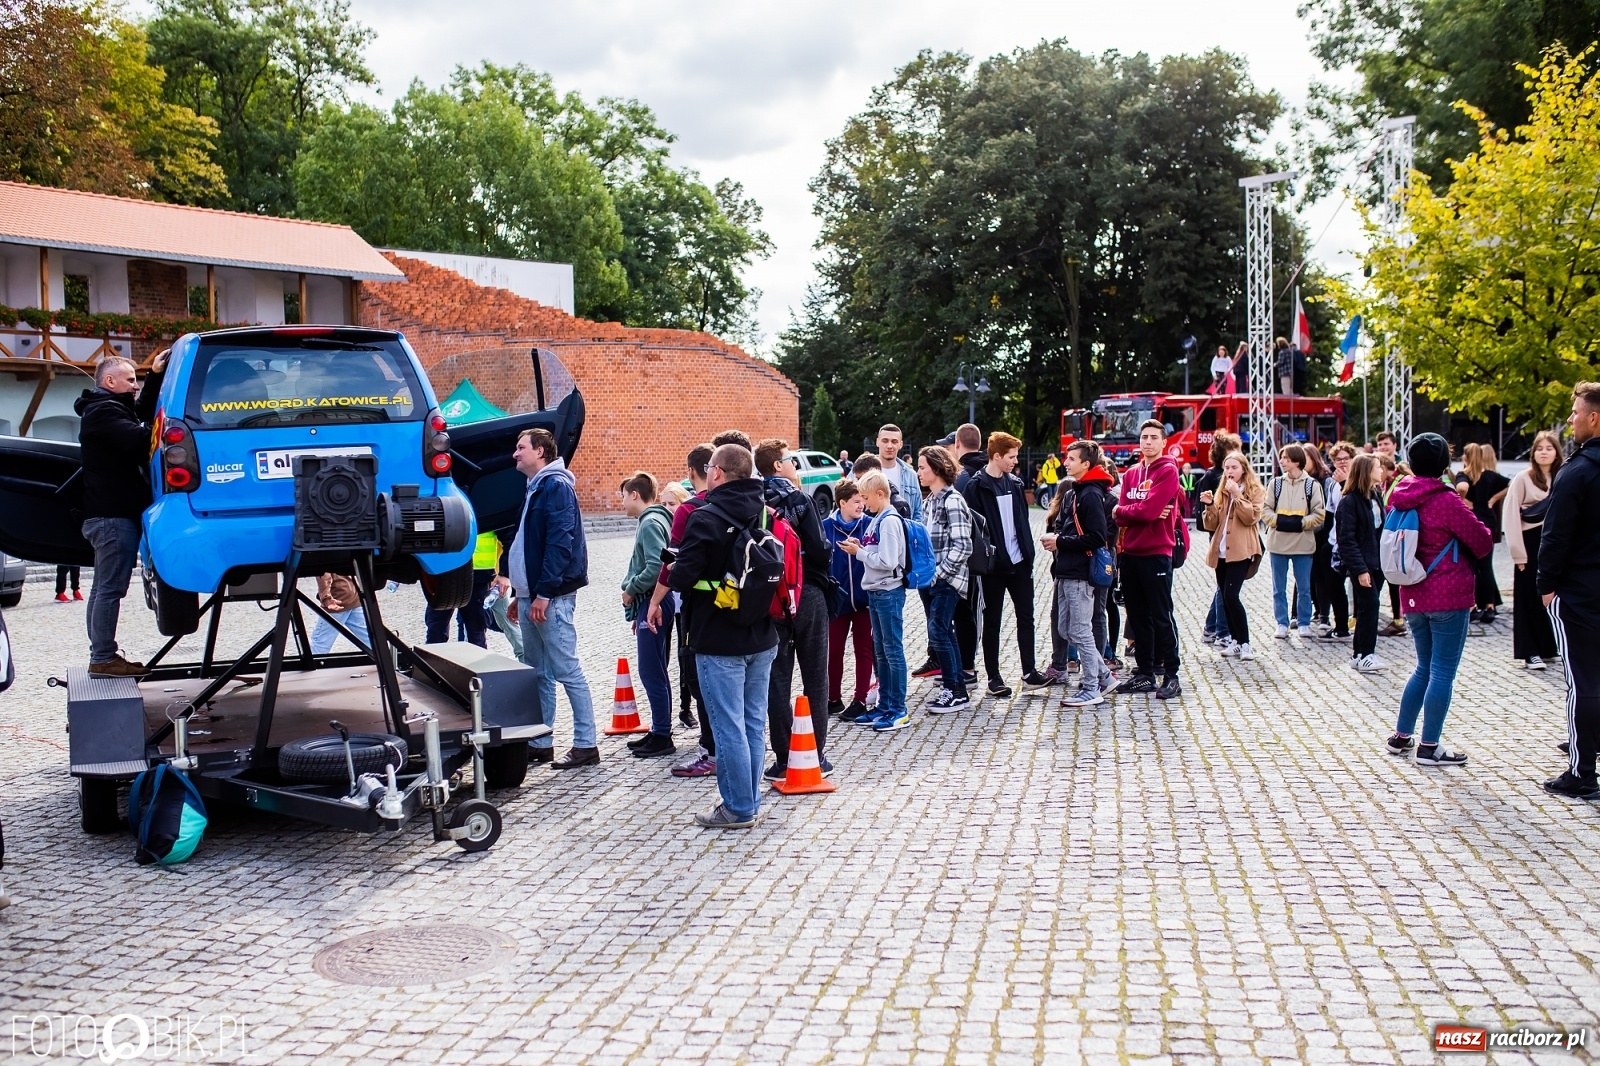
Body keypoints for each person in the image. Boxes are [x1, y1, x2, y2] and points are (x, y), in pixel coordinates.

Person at [668, 443, 780, 828]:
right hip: (762, 633)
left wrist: (676, 565)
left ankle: (737, 808)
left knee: (728, 726)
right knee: (751, 723)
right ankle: (749, 801)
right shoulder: (764, 509)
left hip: (718, 637)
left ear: (716, 472)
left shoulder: (705, 516)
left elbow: (682, 577)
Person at [1384, 434, 1493, 767]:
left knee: (1423, 667)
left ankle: (1401, 736)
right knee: (1443, 672)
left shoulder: (1398, 495)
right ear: (1446, 463)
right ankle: (1429, 746)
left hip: (1412, 590)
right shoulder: (1445, 499)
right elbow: (1482, 541)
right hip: (1447, 593)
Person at [502, 428, 596, 770]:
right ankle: (541, 742)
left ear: (540, 451)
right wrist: (521, 593)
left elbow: (560, 543)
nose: (515, 453)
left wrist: (543, 593)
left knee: (567, 671)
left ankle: (586, 745)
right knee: (538, 673)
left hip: (550, 598)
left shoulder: (555, 486)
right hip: (532, 597)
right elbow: (526, 543)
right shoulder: (536, 486)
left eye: (521, 446)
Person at [75, 352, 167, 676]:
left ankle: (101, 653)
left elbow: (138, 412)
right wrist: (170, 421)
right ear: (109, 382)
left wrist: (155, 375)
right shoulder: (102, 413)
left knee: (103, 587)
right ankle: (103, 657)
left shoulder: (107, 408)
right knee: (110, 588)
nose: (135, 386)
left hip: (107, 515)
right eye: (130, 380)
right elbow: (141, 440)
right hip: (112, 517)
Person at [754, 438, 832, 780]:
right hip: (808, 593)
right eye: (791, 461)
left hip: (770, 599)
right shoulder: (798, 499)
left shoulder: (754, 503)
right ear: (777, 467)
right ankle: (815, 752)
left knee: (776, 677)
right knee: (816, 672)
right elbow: (818, 549)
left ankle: (784, 756)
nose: (795, 467)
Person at [1539, 383, 1600, 798]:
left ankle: (1582, 772)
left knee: (1582, 683)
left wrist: (1545, 588)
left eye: (1576, 411)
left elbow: (1555, 536)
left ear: (1594, 417)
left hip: (1578, 594)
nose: (1571, 419)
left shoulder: (1576, 471)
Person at [961, 431, 1047, 697]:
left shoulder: (1016, 484)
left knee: (1026, 617)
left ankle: (1029, 671)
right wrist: (990, 557)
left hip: (1020, 562)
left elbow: (1021, 522)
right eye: (1010, 457)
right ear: (996, 456)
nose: (1014, 461)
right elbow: (974, 530)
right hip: (994, 566)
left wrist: (1029, 555)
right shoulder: (976, 487)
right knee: (993, 620)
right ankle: (994, 677)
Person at [650, 444, 717, 779]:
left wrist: (653, 601)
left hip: (699, 609)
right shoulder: (747, 504)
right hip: (741, 605)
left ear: (692, 473)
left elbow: (670, 563)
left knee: (698, 676)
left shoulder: (689, 510)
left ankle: (710, 749)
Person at [1112, 419, 1183, 699]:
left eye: (1154, 437)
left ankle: (1171, 674)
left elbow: (1149, 511)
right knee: (1138, 616)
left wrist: (1124, 510)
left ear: (1163, 442)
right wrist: (1128, 510)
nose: (1148, 442)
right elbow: (1134, 510)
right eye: (1144, 437)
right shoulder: (1131, 474)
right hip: (1130, 553)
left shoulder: (1168, 471)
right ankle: (1144, 673)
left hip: (1156, 553)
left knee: (1161, 616)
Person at [1043, 440, 1117, 706]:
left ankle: (1091, 686)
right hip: (1066, 570)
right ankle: (1105, 676)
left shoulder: (1091, 495)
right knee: (1065, 627)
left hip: (1080, 573)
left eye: (1072, 459)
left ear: (1086, 464)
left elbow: (1098, 537)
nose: (1066, 462)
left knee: (1081, 630)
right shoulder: (1077, 492)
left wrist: (1060, 542)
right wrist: (1059, 538)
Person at [840, 471, 909, 731]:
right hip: (878, 592)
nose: (864, 504)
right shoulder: (878, 518)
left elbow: (889, 562)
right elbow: (878, 552)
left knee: (892, 651)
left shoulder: (889, 521)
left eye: (866, 498)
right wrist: (863, 547)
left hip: (888, 592)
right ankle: (885, 705)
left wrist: (860, 553)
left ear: (881, 495)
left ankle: (897, 709)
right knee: (881, 652)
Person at [619, 472, 676, 759]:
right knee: (656, 668)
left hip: (653, 601)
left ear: (635, 494)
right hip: (655, 601)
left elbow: (656, 566)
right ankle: (659, 729)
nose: (622, 504)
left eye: (623, 497)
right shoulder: (657, 519)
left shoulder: (651, 522)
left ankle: (663, 734)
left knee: (650, 670)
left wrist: (631, 589)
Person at [919, 445, 974, 711]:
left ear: (937, 469)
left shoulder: (953, 500)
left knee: (938, 632)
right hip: (929, 580)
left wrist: (938, 575)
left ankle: (955, 690)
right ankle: (956, 688)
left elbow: (963, 546)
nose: (918, 472)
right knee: (943, 632)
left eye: (922, 468)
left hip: (946, 580)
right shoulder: (929, 501)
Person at [1504, 430, 1562, 669]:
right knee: (1528, 597)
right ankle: (1530, 651)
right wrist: (1518, 553)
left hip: (1557, 543)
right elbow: (1510, 516)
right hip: (1530, 542)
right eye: (1540, 448)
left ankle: (1549, 646)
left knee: (1553, 596)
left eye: (1549, 448)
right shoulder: (1523, 478)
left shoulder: (1563, 477)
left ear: (1557, 452)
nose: (1544, 452)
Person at [1200, 451, 1264, 660]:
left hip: (1241, 550)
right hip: (1221, 551)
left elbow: (1251, 517)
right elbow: (1211, 523)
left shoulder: (1254, 490)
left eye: (1234, 468)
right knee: (1225, 598)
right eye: (1227, 468)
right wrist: (1209, 505)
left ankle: (1245, 643)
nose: (1229, 472)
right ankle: (1235, 641)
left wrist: (1237, 495)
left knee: (1231, 596)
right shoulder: (1222, 490)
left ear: (1243, 469)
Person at [1264, 444, 1326, 640]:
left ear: (1297, 461)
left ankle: (1304, 622)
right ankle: (1281, 622)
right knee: (1278, 587)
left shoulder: (1312, 485)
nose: (1282, 461)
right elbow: (1265, 511)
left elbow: (1319, 514)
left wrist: (1299, 523)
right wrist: (1280, 521)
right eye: (1282, 458)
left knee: (1304, 586)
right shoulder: (1275, 484)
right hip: (1278, 544)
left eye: (1286, 458)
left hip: (1303, 544)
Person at [823, 480, 873, 720]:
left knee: (864, 650)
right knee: (834, 651)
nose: (861, 505)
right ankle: (832, 698)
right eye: (856, 501)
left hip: (864, 601)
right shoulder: (825, 527)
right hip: (837, 602)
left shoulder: (870, 526)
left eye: (862, 500)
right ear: (842, 503)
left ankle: (861, 698)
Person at [1336, 454, 1388, 673]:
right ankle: (1367, 653)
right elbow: (1346, 539)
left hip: (1377, 563)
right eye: (1377, 467)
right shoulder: (1349, 501)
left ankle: (1359, 654)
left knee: (1367, 607)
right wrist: (1359, 569)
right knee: (1370, 605)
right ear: (1366, 471)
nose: (1381, 471)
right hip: (1362, 564)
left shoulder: (1375, 495)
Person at [1196, 431, 1243, 646]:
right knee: (1225, 590)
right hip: (1219, 537)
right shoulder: (1212, 477)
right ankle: (1222, 631)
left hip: (1237, 539)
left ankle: (1211, 627)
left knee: (1226, 589)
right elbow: (1203, 515)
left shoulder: (1243, 479)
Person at [1455, 443, 1510, 624]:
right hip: (1488, 523)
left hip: (1470, 525)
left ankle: (1472, 607)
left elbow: (1461, 487)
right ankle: (1489, 606)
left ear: (1466, 457)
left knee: (1470, 566)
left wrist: (1462, 499)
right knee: (1486, 567)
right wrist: (1493, 499)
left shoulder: (1464, 474)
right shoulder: (1490, 476)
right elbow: (1511, 483)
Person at [948, 423, 986, 683]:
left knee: (964, 612)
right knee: (973, 612)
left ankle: (967, 667)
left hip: (969, 557)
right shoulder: (990, 471)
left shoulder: (962, 478)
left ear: (958, 444)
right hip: (988, 553)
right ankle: (968, 665)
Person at [424, 531, 495, 648]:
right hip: (444, 576)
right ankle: (432, 664)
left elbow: (507, 535)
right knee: (435, 632)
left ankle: (476, 665)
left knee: (476, 633)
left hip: (477, 578)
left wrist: (504, 574)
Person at [1319, 442, 1357, 640]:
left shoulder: (1357, 480)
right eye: (1337, 460)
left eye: (1345, 459)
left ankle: (1353, 622)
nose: (1341, 463)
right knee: (1334, 585)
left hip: (1351, 542)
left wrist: (1344, 483)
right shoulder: (1332, 483)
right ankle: (1340, 625)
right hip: (1334, 541)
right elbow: (1331, 512)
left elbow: (1355, 505)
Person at [1303, 445, 1341, 636]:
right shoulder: (1301, 480)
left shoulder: (1326, 481)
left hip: (1325, 533)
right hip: (1308, 533)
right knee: (1311, 575)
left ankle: (1325, 614)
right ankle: (1317, 611)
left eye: (1305, 458)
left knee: (1323, 575)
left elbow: (1331, 511)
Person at [311, 572, 370, 654]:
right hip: (353, 594)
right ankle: (388, 657)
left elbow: (323, 573)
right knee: (369, 636)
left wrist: (326, 598)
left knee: (320, 642)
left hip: (337, 598)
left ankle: (314, 665)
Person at [876, 424, 922, 521]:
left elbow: (918, 512)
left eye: (894, 441)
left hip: (903, 533)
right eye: (885, 441)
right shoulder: (864, 471)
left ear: (900, 444)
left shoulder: (910, 475)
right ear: (877, 442)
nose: (889, 446)